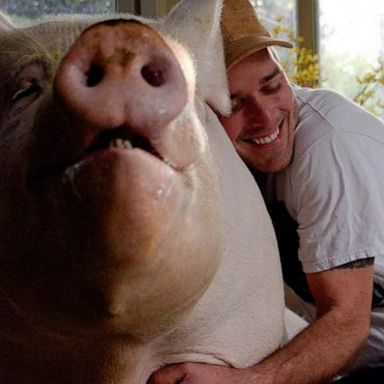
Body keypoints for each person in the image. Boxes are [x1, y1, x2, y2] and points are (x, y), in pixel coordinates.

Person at [149, 0, 384, 383]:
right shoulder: (210, 163)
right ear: (199, 117)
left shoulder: (330, 147)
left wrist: (244, 381)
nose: (264, 118)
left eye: (272, 85)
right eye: (234, 103)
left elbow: (346, 322)